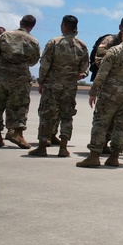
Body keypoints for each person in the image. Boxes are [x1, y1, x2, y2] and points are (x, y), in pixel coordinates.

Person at [77, 26, 123, 168]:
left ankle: (94, 155)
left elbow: (102, 73)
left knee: (101, 122)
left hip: (111, 91)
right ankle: (114, 156)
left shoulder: (114, 51)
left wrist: (93, 91)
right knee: (121, 124)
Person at [31, 15, 89, 158]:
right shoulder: (81, 45)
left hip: (52, 86)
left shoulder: (54, 43)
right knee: (67, 116)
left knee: (46, 115)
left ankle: (42, 147)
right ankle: (63, 147)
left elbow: (44, 65)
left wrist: (41, 82)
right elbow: (85, 70)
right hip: (69, 87)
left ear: (63, 25)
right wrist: (74, 76)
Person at [0, 15, 41, 148]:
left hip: (0, 75)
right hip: (20, 78)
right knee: (19, 106)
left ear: (20, 22)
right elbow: (33, 61)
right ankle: (16, 133)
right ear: (32, 26)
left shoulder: (5, 36)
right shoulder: (33, 41)